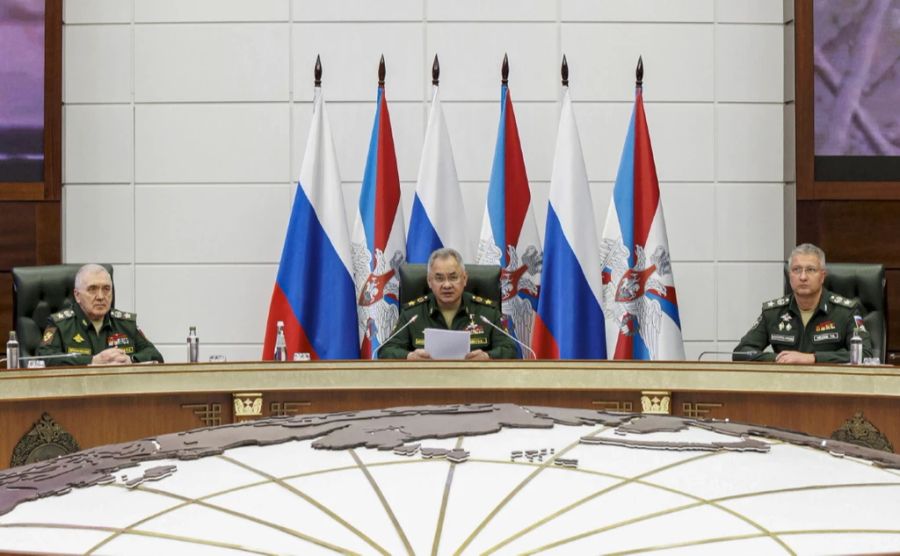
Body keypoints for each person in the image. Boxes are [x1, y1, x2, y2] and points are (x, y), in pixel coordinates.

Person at [734, 244, 872, 364]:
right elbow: (741, 353)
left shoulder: (845, 312)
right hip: (786, 387)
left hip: (829, 388)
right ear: (790, 276)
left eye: (810, 270)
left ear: (822, 276)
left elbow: (865, 355)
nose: (803, 277)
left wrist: (813, 358)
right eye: (796, 270)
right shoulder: (773, 312)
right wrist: (780, 359)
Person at [378, 248, 519, 360]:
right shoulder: (412, 314)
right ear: (429, 281)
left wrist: (488, 357)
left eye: (453, 277)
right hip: (427, 387)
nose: (446, 285)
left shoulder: (486, 312)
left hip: (474, 387)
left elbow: (510, 349)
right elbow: (386, 350)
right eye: (439, 278)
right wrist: (409, 356)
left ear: (464, 279)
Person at [35, 264, 164, 366]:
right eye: (92, 289)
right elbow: (44, 359)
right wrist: (93, 361)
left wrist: (130, 360)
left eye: (106, 289)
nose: (101, 297)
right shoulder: (60, 324)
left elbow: (155, 356)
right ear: (77, 295)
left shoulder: (125, 324)